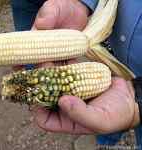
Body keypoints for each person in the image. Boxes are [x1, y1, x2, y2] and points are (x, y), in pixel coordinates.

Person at [11, 0, 142, 148]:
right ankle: (106, 142)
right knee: (98, 112)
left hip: (128, 92)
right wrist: (84, 3)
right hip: (111, 52)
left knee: (114, 113)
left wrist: (140, 99)